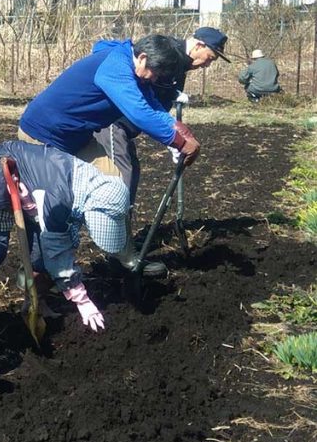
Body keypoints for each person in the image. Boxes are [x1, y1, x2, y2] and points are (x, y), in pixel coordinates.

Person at [17, 33, 201, 278]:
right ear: (143, 57)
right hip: (43, 137)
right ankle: (37, 273)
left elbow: (151, 104)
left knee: (116, 186)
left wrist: (182, 132)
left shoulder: (135, 68)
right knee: (53, 206)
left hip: (77, 137)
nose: (155, 79)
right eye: (155, 73)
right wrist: (176, 140)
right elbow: (138, 112)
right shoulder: (114, 67)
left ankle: (123, 255)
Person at [0, 140, 130, 334]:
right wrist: (80, 298)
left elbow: (61, 239)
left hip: (33, 186)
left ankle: (34, 304)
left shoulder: (91, 186)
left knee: (42, 252)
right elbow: (57, 251)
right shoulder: (60, 194)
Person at [90, 26, 229, 273]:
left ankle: (121, 246)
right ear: (198, 46)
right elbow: (142, 98)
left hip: (126, 128)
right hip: (114, 123)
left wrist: (172, 127)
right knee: (122, 181)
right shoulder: (170, 55)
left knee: (131, 176)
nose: (208, 64)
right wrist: (173, 140)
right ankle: (119, 253)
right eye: (210, 57)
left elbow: (154, 98)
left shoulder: (179, 62)